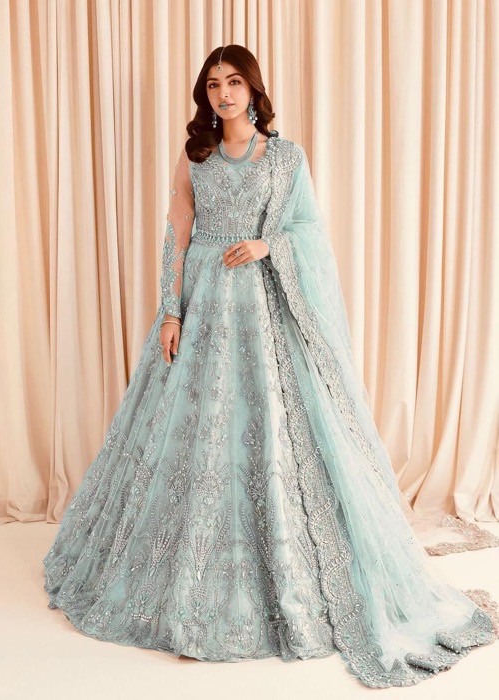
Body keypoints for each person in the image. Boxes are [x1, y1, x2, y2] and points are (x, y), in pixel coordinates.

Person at [43, 44, 497, 688]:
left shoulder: (285, 159)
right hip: (202, 308)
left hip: (263, 310)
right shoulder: (195, 155)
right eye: (213, 85)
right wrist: (170, 311)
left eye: (234, 82)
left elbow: (309, 231)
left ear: (254, 90)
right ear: (204, 95)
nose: (223, 94)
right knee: (191, 434)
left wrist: (267, 243)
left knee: (273, 436)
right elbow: (177, 233)